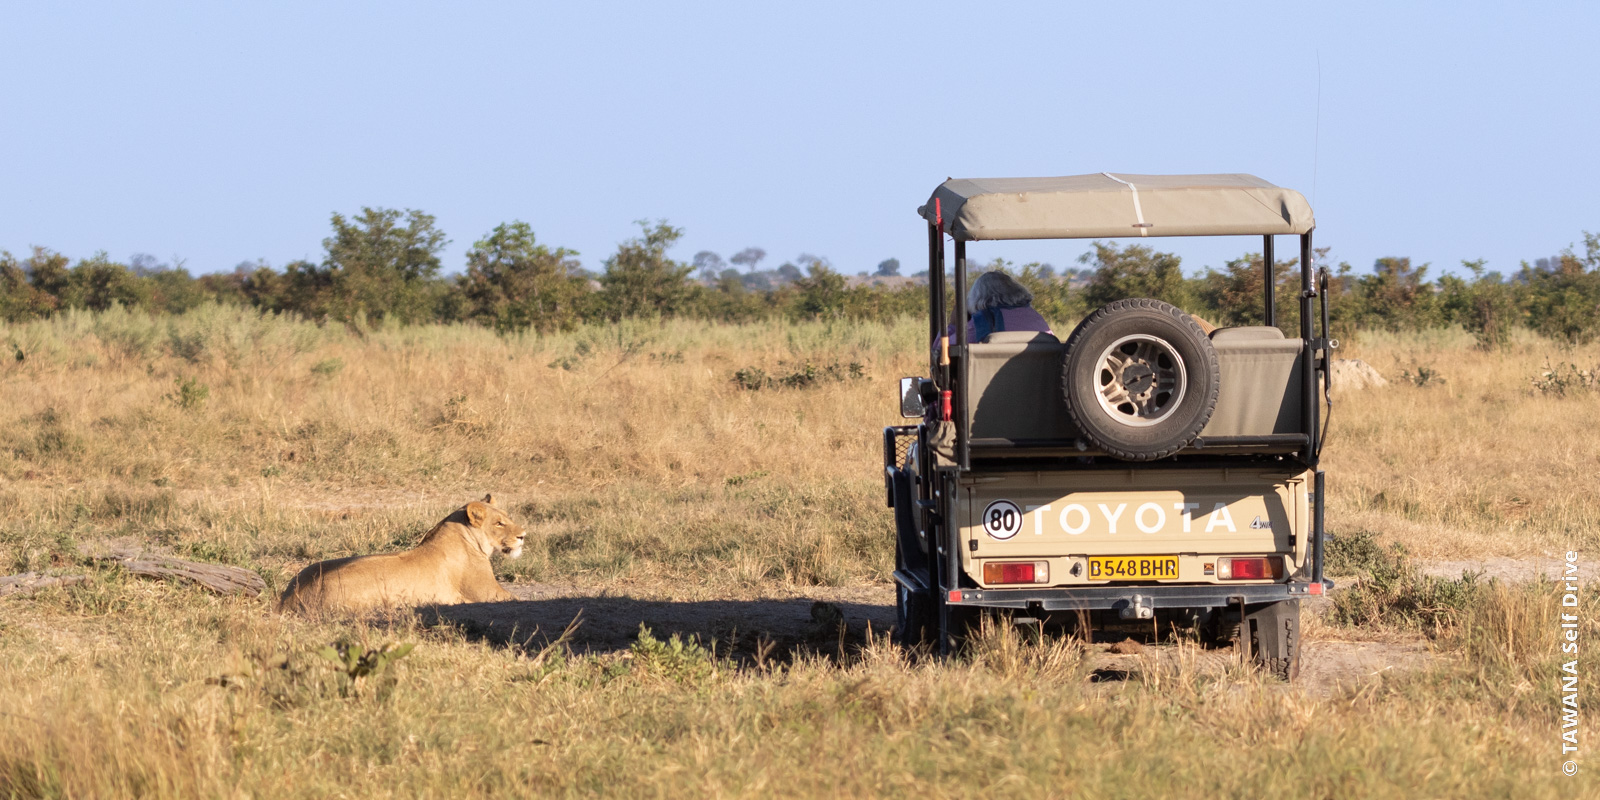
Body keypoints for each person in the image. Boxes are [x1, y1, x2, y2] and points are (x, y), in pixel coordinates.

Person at [944, 270, 1055, 343]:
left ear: (978, 299)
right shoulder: (1035, 316)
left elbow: (941, 352)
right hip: (1038, 378)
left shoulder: (983, 321)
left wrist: (953, 324)